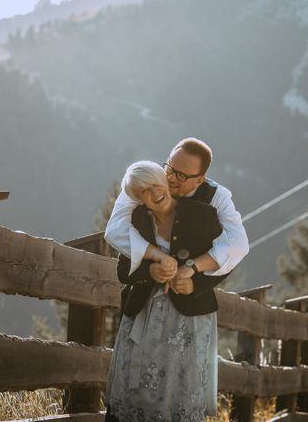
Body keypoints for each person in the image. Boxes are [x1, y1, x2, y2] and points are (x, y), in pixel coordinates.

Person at [104, 160, 232, 421]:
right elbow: (123, 270)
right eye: (143, 192)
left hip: (188, 321)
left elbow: (226, 260)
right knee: (132, 390)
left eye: (154, 184)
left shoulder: (203, 215)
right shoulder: (137, 219)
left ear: (164, 180)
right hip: (143, 314)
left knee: (180, 391)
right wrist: (149, 271)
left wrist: (195, 281)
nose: (152, 194)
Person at [105, 137, 249, 296]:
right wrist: (155, 259)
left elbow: (238, 244)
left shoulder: (217, 197)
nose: (170, 178)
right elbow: (115, 229)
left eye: (181, 175)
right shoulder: (146, 181)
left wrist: (192, 268)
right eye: (170, 168)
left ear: (199, 180)